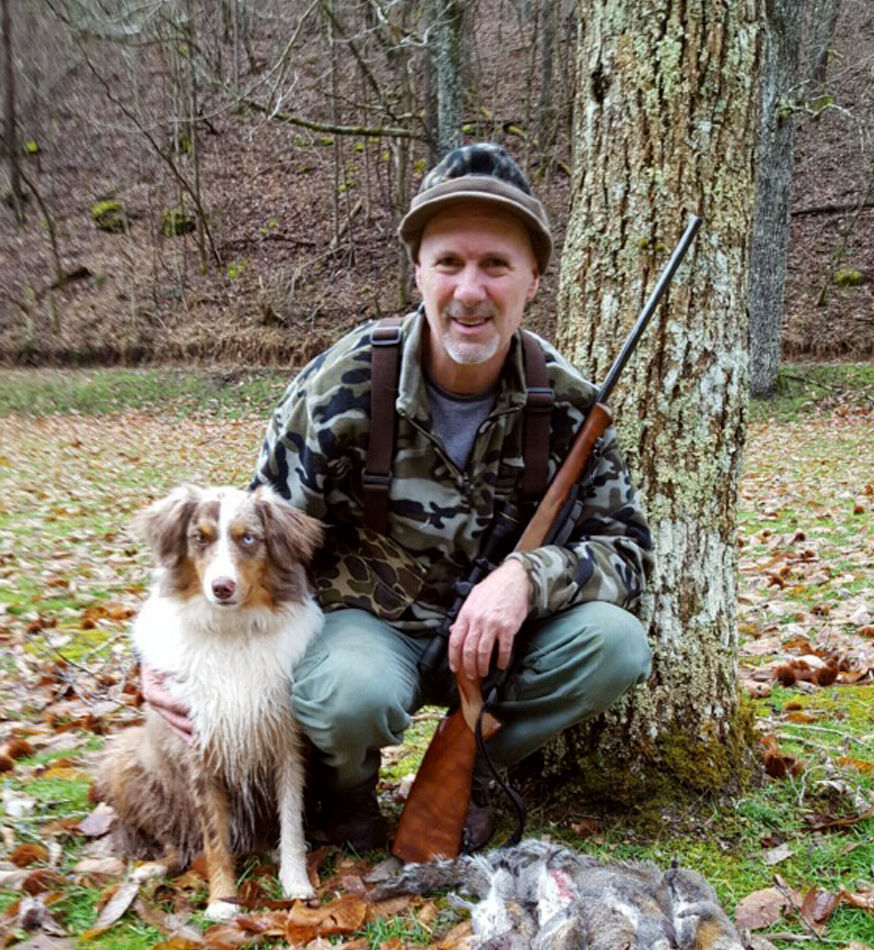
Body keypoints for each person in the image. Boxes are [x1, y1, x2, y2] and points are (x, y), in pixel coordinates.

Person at [144, 143, 654, 853]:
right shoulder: (344, 383)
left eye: (495, 265)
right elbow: (246, 536)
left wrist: (526, 578)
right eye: (449, 263)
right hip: (368, 633)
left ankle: (469, 771)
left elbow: (629, 552)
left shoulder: (568, 403)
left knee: (618, 646)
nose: (470, 290)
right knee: (346, 694)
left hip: (502, 646)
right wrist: (162, 657)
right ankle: (345, 793)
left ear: (532, 279)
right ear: (418, 271)